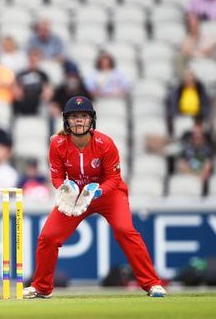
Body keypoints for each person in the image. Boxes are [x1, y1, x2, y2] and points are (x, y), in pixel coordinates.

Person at [23, 96, 166, 299]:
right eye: (74, 117)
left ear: (91, 120)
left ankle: (152, 284)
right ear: (66, 120)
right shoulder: (57, 143)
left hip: (108, 194)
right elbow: (56, 176)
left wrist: (96, 192)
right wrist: (64, 187)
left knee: (125, 231)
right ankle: (42, 287)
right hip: (76, 196)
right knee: (48, 237)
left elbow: (114, 179)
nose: (79, 121)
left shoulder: (105, 143)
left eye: (83, 116)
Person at [176, 118, 213, 195]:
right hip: (188, 174)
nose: (197, 135)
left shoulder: (208, 146)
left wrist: (191, 169)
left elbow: (206, 169)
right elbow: (181, 166)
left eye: (200, 132)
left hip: (201, 178)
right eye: (195, 132)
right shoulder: (185, 144)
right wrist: (195, 171)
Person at [13, 48, 52, 116]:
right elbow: (17, 93)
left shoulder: (43, 75)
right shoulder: (21, 74)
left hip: (38, 104)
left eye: (35, 58)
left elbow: (47, 92)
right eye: (31, 58)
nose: (33, 60)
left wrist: (44, 95)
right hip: (23, 103)